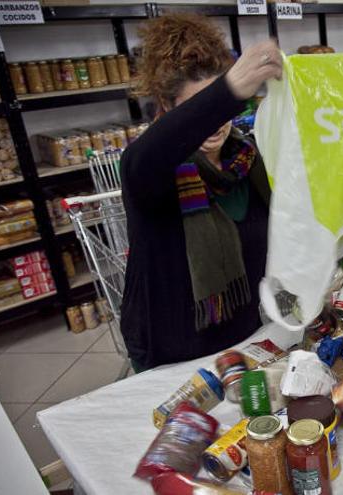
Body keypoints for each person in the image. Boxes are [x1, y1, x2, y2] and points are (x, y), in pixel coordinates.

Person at [120, 13, 282, 371]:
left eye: (221, 110)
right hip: (175, 351)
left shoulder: (247, 161)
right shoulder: (156, 173)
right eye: (204, 109)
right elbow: (140, 157)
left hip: (247, 337)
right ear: (170, 107)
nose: (216, 125)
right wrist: (227, 92)